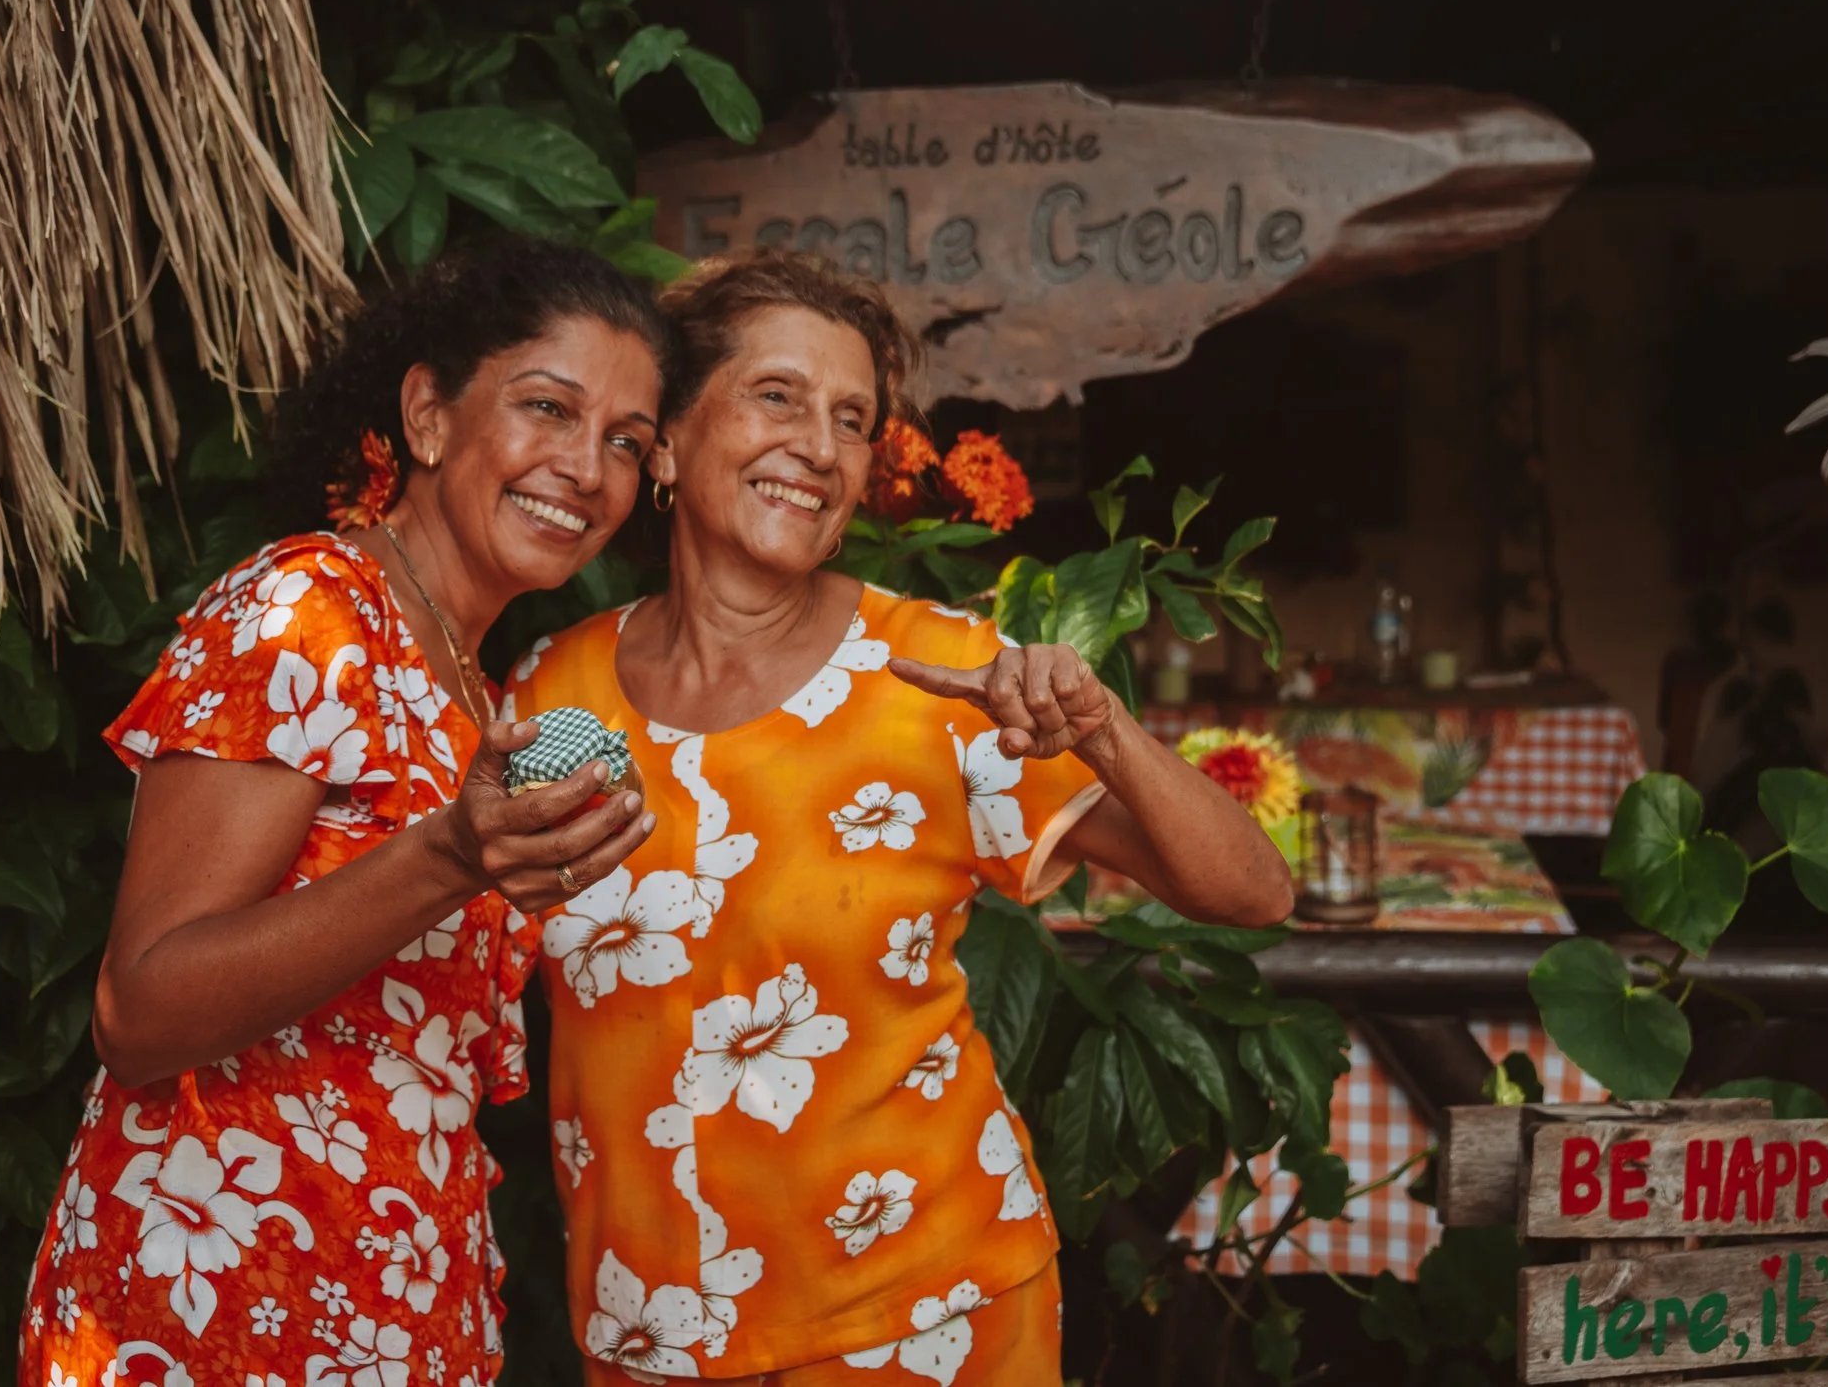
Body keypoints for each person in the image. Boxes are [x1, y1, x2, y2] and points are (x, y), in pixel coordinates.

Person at [506, 249, 1294, 1384]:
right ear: (669, 436)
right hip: (654, 1334)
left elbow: (1250, 893)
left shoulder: (936, 673)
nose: (820, 448)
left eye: (852, 419)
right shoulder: (551, 692)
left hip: (926, 1317)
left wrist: (1102, 727)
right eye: (778, 395)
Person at [22, 241, 665, 1387]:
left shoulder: (482, 689)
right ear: (427, 415)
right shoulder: (308, 611)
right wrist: (445, 858)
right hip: (219, 1291)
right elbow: (141, 1007)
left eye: (626, 440)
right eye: (547, 409)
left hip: (392, 1293)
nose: (586, 466)